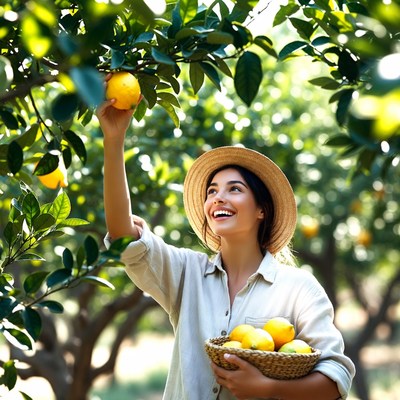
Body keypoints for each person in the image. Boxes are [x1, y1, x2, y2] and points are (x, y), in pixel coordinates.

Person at [97, 95, 355, 400]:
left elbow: (335, 379)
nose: (218, 197)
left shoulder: (299, 288)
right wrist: (114, 140)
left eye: (235, 189)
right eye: (212, 191)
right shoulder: (186, 274)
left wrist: (269, 388)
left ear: (262, 209)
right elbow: (124, 237)